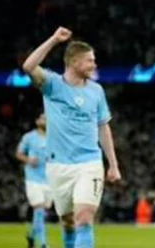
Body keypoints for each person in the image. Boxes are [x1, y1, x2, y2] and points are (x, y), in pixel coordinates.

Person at [22, 27, 121, 248]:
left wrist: (113, 165)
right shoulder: (52, 85)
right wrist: (54, 40)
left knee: (84, 218)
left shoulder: (96, 91)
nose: (94, 65)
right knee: (67, 222)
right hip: (58, 165)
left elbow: (103, 128)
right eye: (90, 61)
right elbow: (28, 66)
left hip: (89, 163)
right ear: (74, 62)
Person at [16, 112, 51, 248]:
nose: (45, 121)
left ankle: (31, 235)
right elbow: (19, 154)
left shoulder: (54, 138)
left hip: (49, 180)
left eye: (48, 119)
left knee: (42, 213)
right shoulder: (29, 137)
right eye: (43, 118)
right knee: (39, 209)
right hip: (33, 179)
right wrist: (28, 160)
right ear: (37, 121)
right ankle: (43, 243)